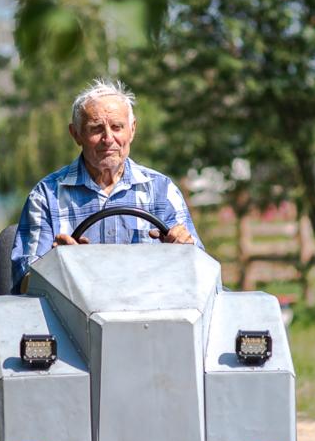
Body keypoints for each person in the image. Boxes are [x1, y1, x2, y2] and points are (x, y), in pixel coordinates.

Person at [11, 78, 203, 292]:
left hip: (151, 316)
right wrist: (55, 266)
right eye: (96, 129)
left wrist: (185, 250)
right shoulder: (46, 196)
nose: (108, 138)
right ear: (76, 134)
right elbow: (23, 287)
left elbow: (201, 277)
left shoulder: (161, 191)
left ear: (132, 130)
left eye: (117, 127)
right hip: (72, 321)